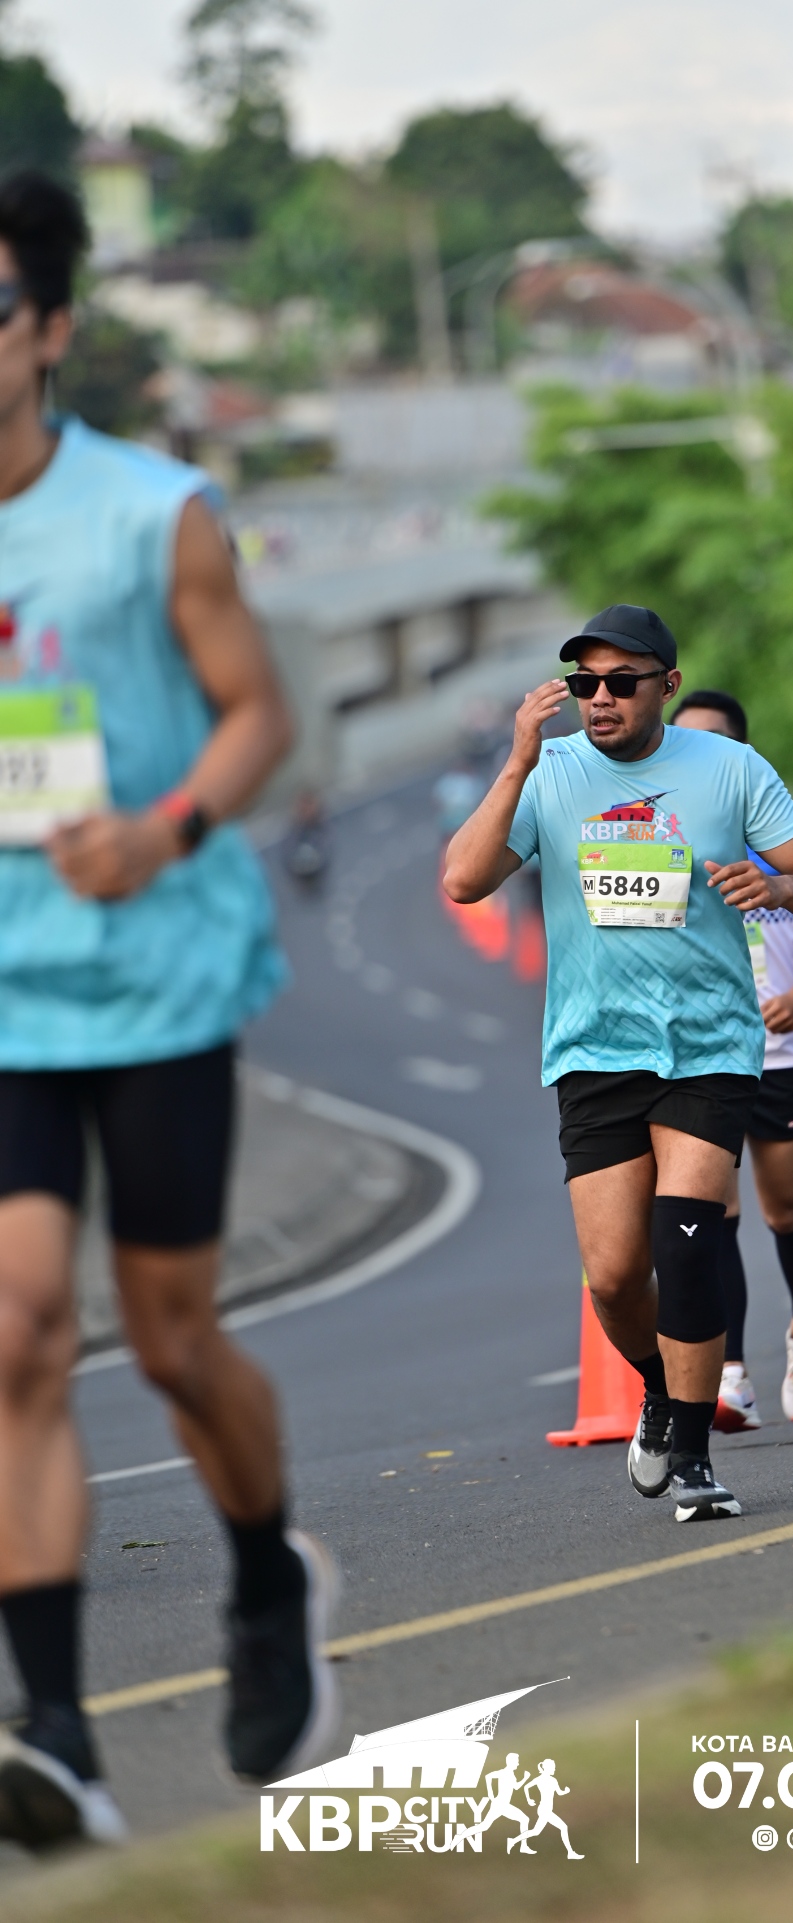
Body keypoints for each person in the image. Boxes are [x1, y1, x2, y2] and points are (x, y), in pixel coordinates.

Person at [0, 172, 336, 1848]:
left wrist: (163, 828)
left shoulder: (154, 514)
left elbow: (258, 715)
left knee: (174, 1338)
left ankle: (269, 1576)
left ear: (50, 328)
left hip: (152, 976)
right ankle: (58, 1735)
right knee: (16, 1329)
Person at [442, 606, 793, 1520]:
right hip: (594, 1049)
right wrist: (516, 760)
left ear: (666, 685)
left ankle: (696, 1457)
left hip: (709, 1046)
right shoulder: (550, 773)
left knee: (688, 1238)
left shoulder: (731, 769)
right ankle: (659, 1388)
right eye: (584, 683)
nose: (599, 698)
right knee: (618, 1274)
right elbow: (464, 879)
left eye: (620, 682)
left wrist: (781, 883)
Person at [670, 689, 793, 1428]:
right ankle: (731, 1375)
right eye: (680, 742)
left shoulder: (775, 839)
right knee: (713, 1212)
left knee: (783, 1210)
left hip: (780, 1056)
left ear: (741, 755)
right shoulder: (663, 840)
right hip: (703, 1059)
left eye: (711, 743)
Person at [523, 1757, 584, 1858]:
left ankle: (513, 1841)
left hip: (547, 1810)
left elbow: (559, 1792)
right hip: (544, 1810)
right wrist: (529, 1799)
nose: (554, 1769)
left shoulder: (553, 1780)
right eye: (553, 1767)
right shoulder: (539, 1779)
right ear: (547, 1768)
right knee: (563, 1827)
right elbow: (526, 1787)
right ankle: (570, 1853)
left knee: (536, 1831)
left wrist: (566, 1791)